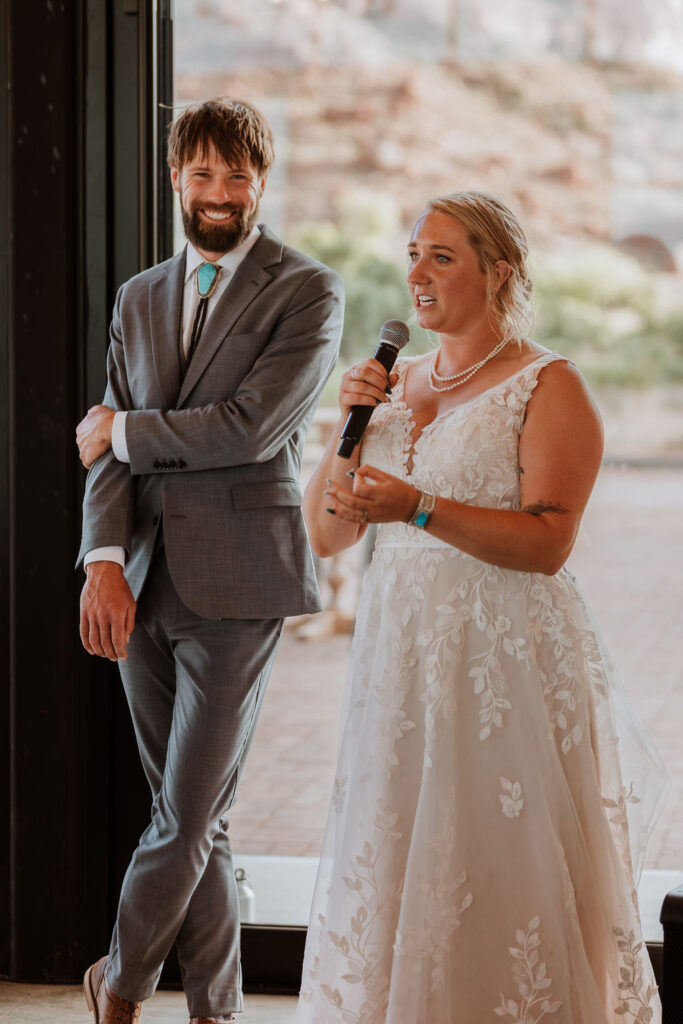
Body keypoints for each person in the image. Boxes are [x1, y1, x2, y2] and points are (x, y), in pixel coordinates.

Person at [297, 191, 668, 1024]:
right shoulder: (392, 384)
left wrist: (419, 508)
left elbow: (548, 543)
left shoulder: (548, 384)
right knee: (399, 853)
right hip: (399, 669)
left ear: (496, 272)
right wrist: (345, 427)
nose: (415, 274)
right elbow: (324, 537)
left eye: (440, 256)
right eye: (412, 255)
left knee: (495, 858)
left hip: (502, 665)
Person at [75, 97, 343, 1024]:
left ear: (261, 180)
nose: (219, 193)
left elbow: (249, 427)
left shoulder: (307, 290)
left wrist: (124, 429)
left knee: (185, 814)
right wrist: (102, 558)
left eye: (237, 175)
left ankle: (120, 984)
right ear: (176, 176)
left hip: (240, 585)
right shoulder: (138, 296)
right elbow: (102, 452)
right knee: (200, 820)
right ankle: (217, 1010)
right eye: (202, 173)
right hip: (140, 584)